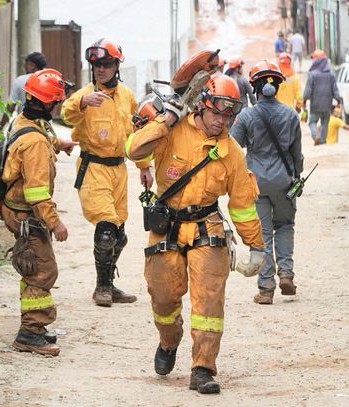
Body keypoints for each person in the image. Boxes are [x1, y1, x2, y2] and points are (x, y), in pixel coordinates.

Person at [126, 75, 266, 394]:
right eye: (218, 112)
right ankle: (168, 341)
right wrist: (166, 119)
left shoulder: (230, 152)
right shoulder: (172, 131)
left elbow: (242, 205)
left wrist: (255, 245)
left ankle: (203, 367)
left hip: (208, 226)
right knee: (162, 295)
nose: (222, 120)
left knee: (209, 303)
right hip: (168, 225)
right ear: (202, 105)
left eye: (229, 115)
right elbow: (134, 150)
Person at [61, 38, 153, 307]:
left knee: (119, 235)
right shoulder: (85, 94)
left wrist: (145, 167)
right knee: (106, 229)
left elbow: (137, 135)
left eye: (106, 64)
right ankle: (101, 287)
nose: (100, 69)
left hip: (118, 170)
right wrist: (83, 103)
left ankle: (109, 284)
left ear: (116, 65)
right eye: (96, 65)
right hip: (94, 168)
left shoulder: (127, 96)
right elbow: (66, 114)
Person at [1, 69, 78, 356]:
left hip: (18, 208)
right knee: (43, 270)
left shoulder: (26, 120)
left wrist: (62, 144)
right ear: (49, 105)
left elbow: (43, 136)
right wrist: (55, 223)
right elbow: (36, 193)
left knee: (33, 267)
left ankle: (36, 325)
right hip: (26, 214)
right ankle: (29, 333)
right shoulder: (34, 144)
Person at [230, 60, 303, 305]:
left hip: (256, 182)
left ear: (254, 88)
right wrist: (297, 178)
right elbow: (297, 154)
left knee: (263, 234)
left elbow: (232, 147)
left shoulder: (246, 116)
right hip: (284, 180)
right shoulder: (291, 115)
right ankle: (286, 273)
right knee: (284, 225)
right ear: (278, 86)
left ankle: (266, 288)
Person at [1, 52, 48, 128]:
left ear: (33, 66)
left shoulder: (20, 80)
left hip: (24, 126)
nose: (24, 66)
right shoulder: (48, 81)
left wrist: (1, 126)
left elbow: (10, 106)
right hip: (45, 126)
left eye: (27, 63)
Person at [303, 50, 340, 145]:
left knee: (312, 122)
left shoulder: (312, 74)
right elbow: (335, 90)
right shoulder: (330, 74)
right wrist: (338, 100)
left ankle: (315, 135)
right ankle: (323, 141)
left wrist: (304, 100)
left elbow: (308, 90)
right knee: (325, 123)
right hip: (327, 104)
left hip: (315, 104)